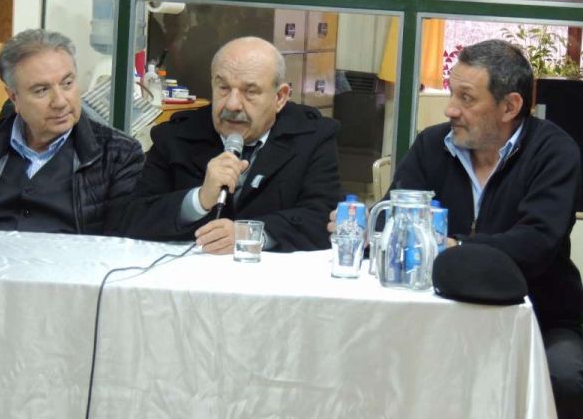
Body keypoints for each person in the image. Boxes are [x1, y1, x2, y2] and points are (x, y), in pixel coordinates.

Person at [330, 39, 583, 418]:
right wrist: (369, 230)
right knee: (356, 361)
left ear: (510, 106)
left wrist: (454, 248)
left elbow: (536, 244)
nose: (450, 109)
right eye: (452, 93)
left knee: (565, 378)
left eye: (466, 98)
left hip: (540, 315)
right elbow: (397, 220)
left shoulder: (554, 153)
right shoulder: (432, 145)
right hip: (433, 313)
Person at [121, 36, 341, 253]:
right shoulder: (176, 136)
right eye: (223, 88)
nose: (233, 104)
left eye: (250, 92)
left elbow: (325, 218)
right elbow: (133, 218)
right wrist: (199, 200)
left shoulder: (312, 136)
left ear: (280, 97)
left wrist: (252, 234)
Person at [0, 29, 144, 235]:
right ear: (14, 97)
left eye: (67, 84)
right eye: (41, 90)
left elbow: (121, 242)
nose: (60, 102)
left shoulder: (119, 154)